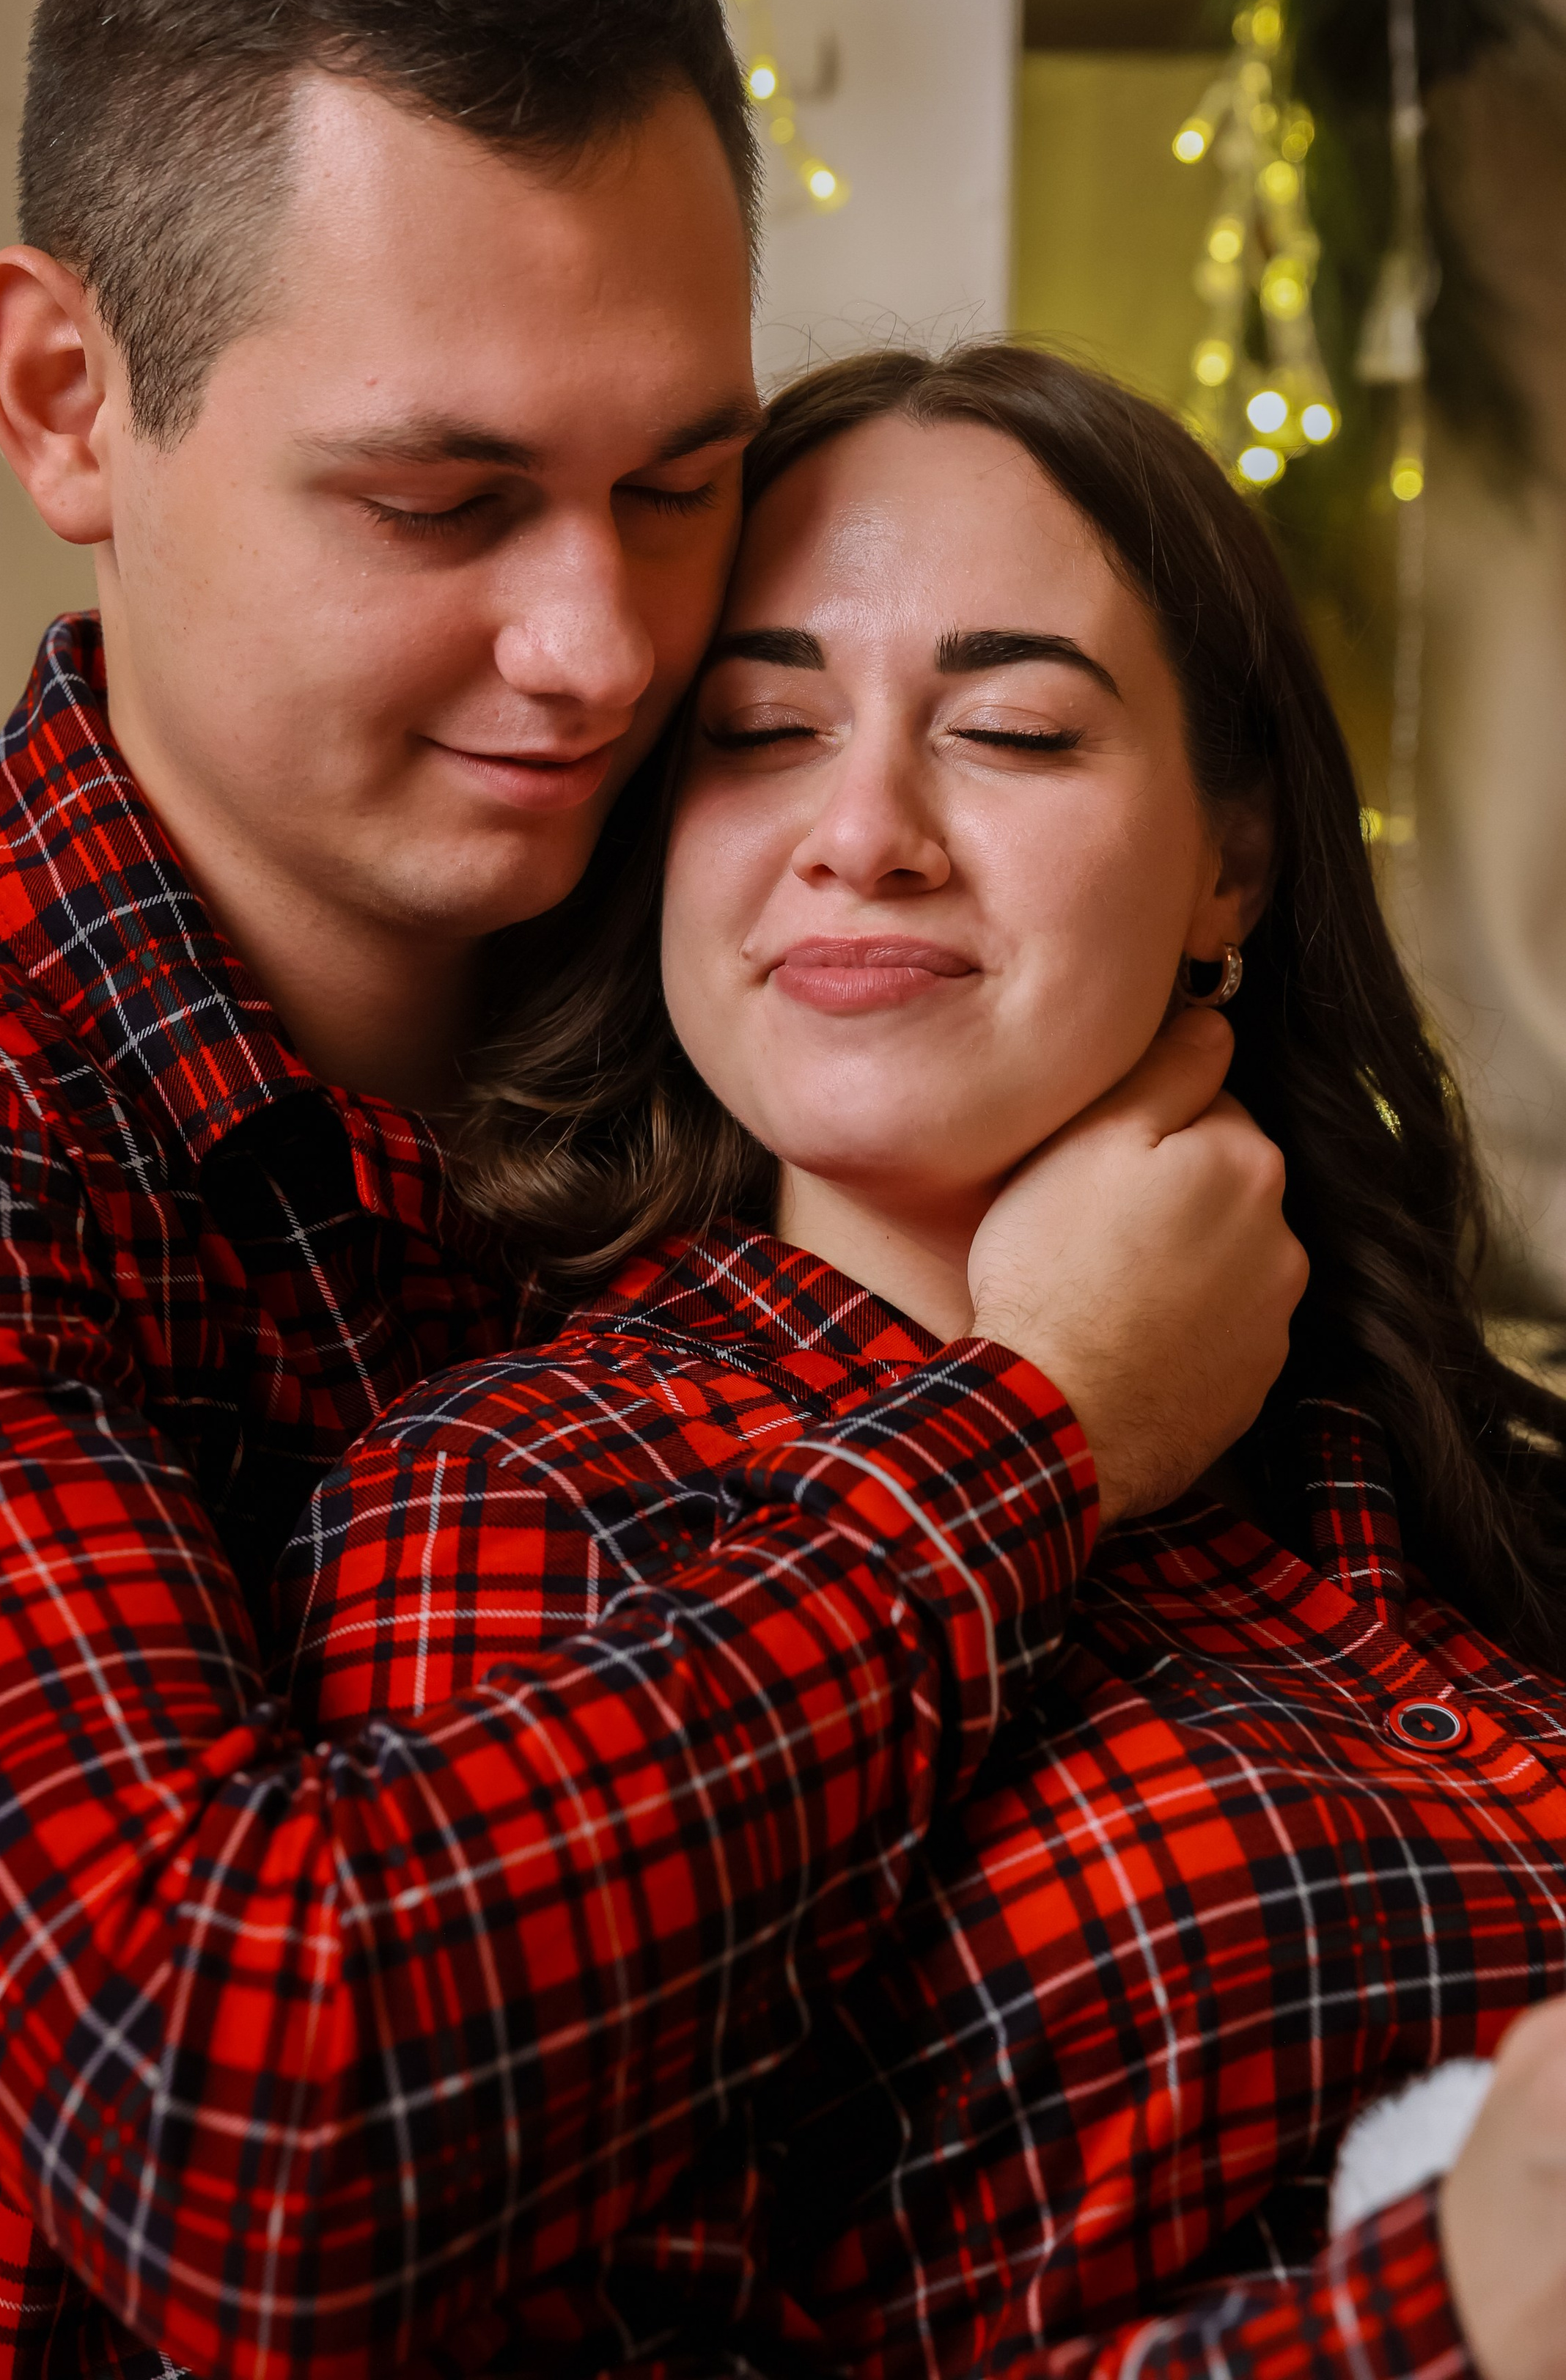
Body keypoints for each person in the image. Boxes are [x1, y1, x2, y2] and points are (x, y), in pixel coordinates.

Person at [0, 0, 1302, 2376]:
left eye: (679, 483)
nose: (603, 648)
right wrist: (1044, 1429)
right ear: (71, 396)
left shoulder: (786, 963)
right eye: (445, 502)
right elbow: (232, 2120)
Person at [284, 342, 1566, 2380]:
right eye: (762, 731)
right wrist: (1444, 2313)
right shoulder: (529, 1494)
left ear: (1231, 857)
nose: (865, 830)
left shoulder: (1399, 1439)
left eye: (1014, 732)